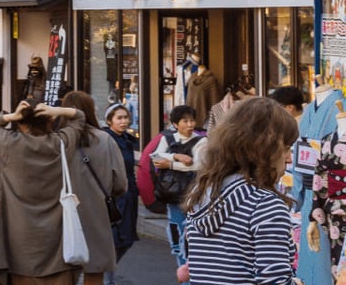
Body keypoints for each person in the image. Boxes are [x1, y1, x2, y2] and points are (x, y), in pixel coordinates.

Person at [181, 97, 300, 284]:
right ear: (263, 149)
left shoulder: (202, 193)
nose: (289, 158)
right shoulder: (264, 204)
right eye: (286, 148)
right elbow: (274, 281)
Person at [0, 100, 86, 285]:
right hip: (56, 239)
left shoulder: (9, 144)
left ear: (22, 124)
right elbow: (79, 117)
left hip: (18, 240)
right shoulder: (61, 144)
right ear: (50, 122)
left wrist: (14, 115)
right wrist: (56, 110)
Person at [60, 91, 128, 285]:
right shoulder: (105, 139)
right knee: (94, 267)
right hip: (96, 212)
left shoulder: (56, 140)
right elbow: (120, 184)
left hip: (61, 213)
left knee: (62, 268)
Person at [153, 105, 207, 267]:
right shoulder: (167, 138)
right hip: (172, 192)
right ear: (175, 124)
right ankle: (182, 265)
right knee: (176, 224)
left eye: (192, 120)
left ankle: (191, 266)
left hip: (195, 192)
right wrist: (176, 156)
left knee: (191, 227)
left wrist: (170, 165)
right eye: (185, 121)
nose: (190, 124)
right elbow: (155, 157)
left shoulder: (202, 141)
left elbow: (200, 165)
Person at [102, 103, 140, 282]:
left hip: (129, 193)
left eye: (126, 118)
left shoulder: (128, 139)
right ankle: (107, 278)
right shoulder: (105, 139)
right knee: (116, 238)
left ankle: (106, 274)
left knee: (128, 238)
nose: (124, 121)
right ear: (110, 121)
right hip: (113, 195)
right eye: (119, 118)